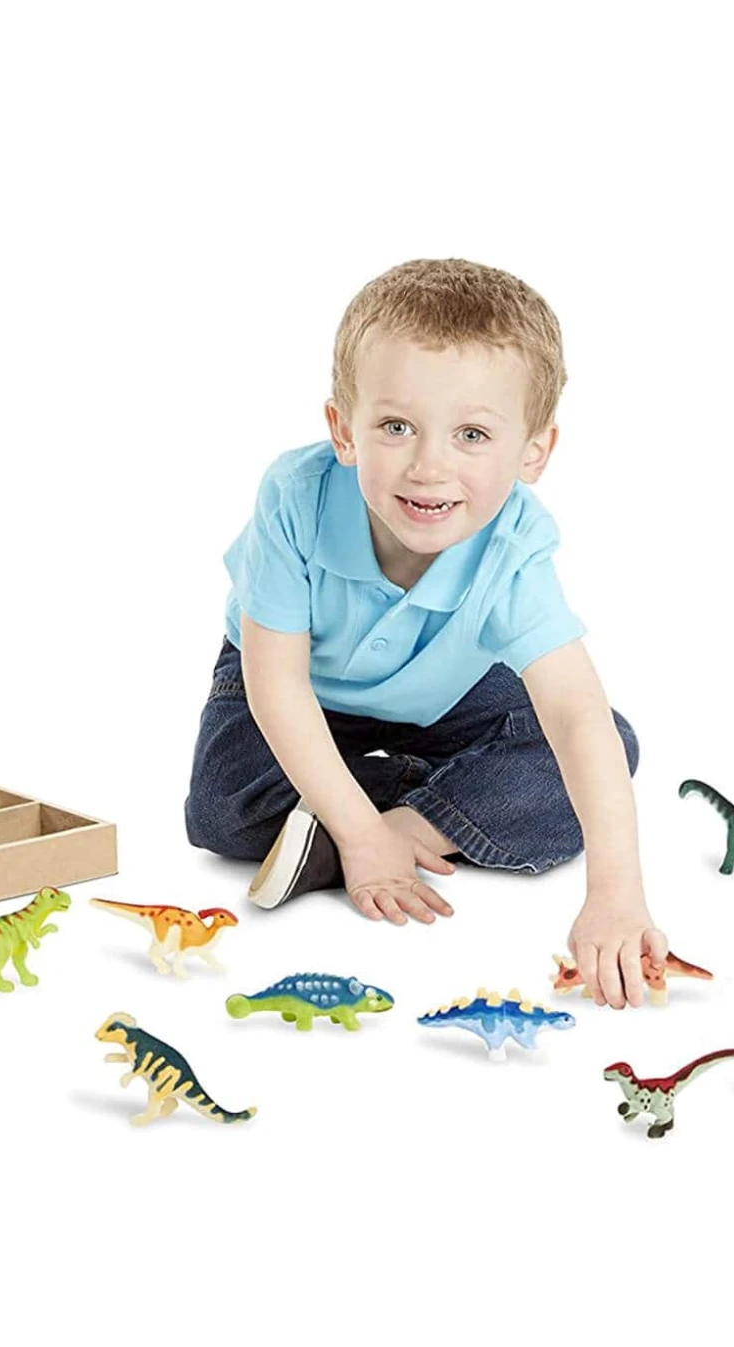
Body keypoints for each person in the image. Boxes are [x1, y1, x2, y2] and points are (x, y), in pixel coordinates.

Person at [184, 258, 665, 1009]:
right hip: (299, 687)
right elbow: (276, 686)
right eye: (397, 427)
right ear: (344, 431)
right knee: (220, 812)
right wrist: (359, 834)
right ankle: (366, 812)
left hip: (447, 693)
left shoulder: (514, 547)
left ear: (533, 452)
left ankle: (404, 820)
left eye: (472, 434)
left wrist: (617, 895)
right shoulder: (294, 498)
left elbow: (576, 713)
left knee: (608, 746)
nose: (428, 466)